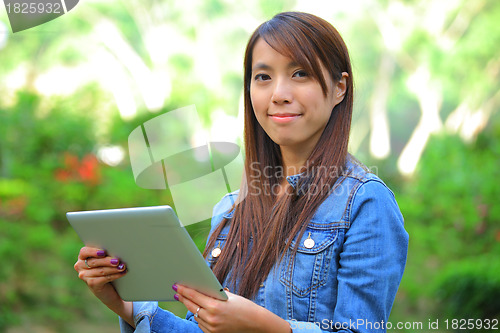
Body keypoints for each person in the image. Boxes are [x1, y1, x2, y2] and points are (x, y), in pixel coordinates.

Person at [74, 11, 409, 333]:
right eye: (263, 77)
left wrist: (267, 327)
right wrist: (127, 306)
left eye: (300, 73)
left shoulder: (365, 202)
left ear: (339, 87)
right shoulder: (231, 209)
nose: (278, 94)